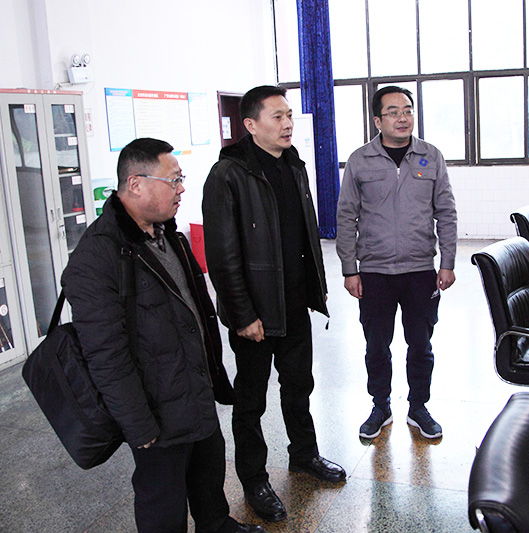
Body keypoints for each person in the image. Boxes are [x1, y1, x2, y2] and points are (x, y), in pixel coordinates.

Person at [61, 138, 263, 533]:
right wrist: (138, 426)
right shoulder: (97, 257)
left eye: (180, 179)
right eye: (173, 180)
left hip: (194, 389)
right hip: (154, 411)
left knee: (208, 476)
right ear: (136, 184)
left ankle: (216, 525)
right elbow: (105, 355)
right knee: (163, 501)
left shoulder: (168, 234)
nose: (181, 189)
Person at [202, 86, 345, 523]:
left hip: (295, 303)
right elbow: (222, 256)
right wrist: (242, 315)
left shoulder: (293, 164)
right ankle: (253, 479)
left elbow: (305, 232)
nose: (287, 124)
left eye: (289, 116)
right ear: (250, 124)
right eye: (277, 117)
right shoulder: (228, 175)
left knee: (299, 387)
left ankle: (304, 455)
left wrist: (316, 288)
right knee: (251, 402)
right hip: (256, 314)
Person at [336, 86, 458, 440]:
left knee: (421, 345)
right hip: (375, 272)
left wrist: (447, 262)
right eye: (393, 112)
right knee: (376, 346)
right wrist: (349, 268)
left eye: (407, 110)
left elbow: (446, 212)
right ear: (378, 120)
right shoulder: (360, 160)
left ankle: (419, 407)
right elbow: (346, 216)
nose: (402, 117)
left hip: (420, 271)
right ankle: (381, 406)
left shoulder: (430, 156)